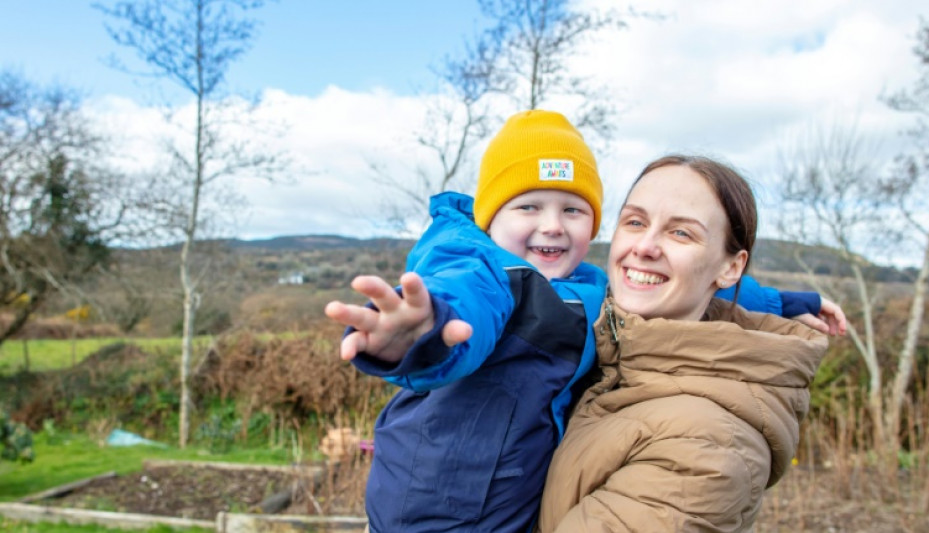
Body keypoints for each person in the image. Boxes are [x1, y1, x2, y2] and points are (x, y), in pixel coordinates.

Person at [325, 112, 839, 532]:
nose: (552, 224)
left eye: (573, 210)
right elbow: (465, 301)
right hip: (436, 505)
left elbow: (708, 286)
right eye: (528, 206)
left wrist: (789, 301)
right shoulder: (485, 269)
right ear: (489, 219)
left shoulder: (590, 290)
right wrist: (420, 332)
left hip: (500, 506)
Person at [535, 155, 835, 532]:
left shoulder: (706, 449)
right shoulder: (603, 347)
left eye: (681, 233)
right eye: (635, 222)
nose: (644, 246)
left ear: (731, 268)